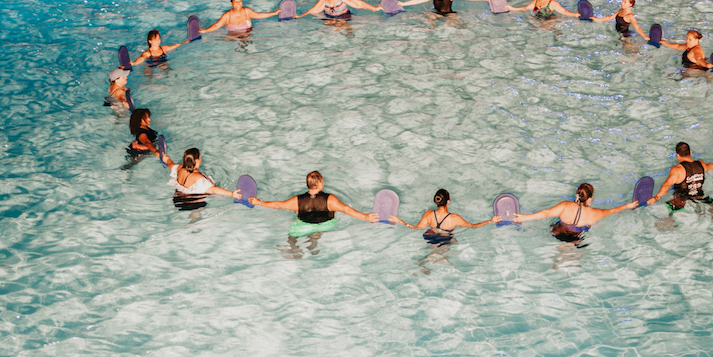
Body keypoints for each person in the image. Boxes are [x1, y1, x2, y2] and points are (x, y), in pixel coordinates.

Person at [248, 170, 377, 234]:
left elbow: (278, 205)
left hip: (302, 226)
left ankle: (292, 246)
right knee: (317, 231)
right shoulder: (330, 199)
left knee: (292, 234)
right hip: (326, 225)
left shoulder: (296, 201)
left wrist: (258, 202)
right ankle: (315, 238)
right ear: (321, 184)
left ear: (308, 185)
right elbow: (346, 209)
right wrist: (365, 216)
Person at [509, 182, 638, 242]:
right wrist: (628, 205)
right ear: (590, 199)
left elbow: (546, 213)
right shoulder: (595, 214)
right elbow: (613, 210)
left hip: (557, 231)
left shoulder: (565, 206)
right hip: (576, 238)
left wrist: (525, 218)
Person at [649, 141, 713, 211]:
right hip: (701, 198)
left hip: (682, 201)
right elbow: (710, 166)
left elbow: (666, 185)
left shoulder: (677, 170)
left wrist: (656, 197)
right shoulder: (701, 164)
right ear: (691, 152)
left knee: (668, 213)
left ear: (677, 155)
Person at [168, 147, 243, 209]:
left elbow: (169, 162)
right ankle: (195, 220)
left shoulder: (180, 168)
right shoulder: (198, 177)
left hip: (177, 198)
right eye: (200, 157)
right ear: (197, 160)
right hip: (192, 201)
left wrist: (157, 151)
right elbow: (213, 189)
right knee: (200, 208)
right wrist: (232, 193)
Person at [409, 188, 491, 242]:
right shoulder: (454, 218)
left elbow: (416, 227)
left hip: (431, 238)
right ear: (448, 202)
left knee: (437, 246)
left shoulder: (429, 214)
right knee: (453, 241)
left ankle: (424, 262)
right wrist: (491, 220)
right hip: (445, 239)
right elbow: (473, 226)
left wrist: (399, 221)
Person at [200, 0, 280, 35]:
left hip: (247, 33)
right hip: (231, 35)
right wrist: (205, 30)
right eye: (236, 2)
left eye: (240, 1)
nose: (238, 4)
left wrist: (274, 13)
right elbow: (217, 26)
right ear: (232, 4)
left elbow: (259, 15)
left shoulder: (247, 11)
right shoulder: (227, 16)